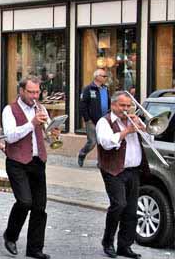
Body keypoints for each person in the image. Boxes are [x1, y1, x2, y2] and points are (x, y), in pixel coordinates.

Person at [2, 76, 58, 259]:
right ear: (21, 91)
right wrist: (31, 123)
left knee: (40, 207)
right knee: (25, 201)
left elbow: (47, 136)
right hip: (17, 162)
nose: (35, 96)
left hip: (37, 161)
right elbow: (10, 137)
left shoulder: (40, 109)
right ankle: (10, 236)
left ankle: (35, 248)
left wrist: (53, 133)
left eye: (37, 92)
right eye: (31, 92)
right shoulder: (9, 110)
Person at [96, 91, 148, 259]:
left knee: (132, 210)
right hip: (113, 170)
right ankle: (108, 242)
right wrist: (127, 131)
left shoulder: (134, 120)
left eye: (128, 105)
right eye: (122, 106)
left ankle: (125, 246)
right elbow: (106, 143)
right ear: (113, 105)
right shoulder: (104, 122)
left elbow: (150, 141)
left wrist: (145, 129)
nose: (126, 109)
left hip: (133, 170)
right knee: (119, 205)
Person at [78, 68, 110, 167]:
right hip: (91, 121)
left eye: (106, 76)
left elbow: (109, 103)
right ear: (97, 77)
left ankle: (100, 162)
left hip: (104, 120)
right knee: (92, 142)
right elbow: (83, 105)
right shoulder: (88, 89)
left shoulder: (105, 89)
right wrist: (87, 119)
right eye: (104, 76)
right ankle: (82, 154)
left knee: (102, 142)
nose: (106, 78)